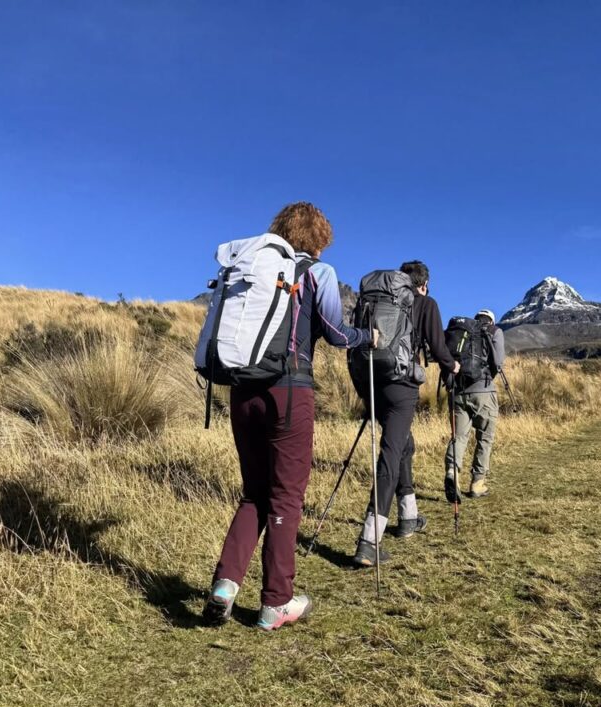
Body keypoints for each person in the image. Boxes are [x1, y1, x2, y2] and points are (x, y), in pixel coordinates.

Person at [203, 202, 376, 630]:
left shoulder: (254, 268)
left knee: (254, 494)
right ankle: (275, 601)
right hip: (290, 392)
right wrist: (366, 337)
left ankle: (224, 586)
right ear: (319, 238)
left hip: (242, 391)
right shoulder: (320, 273)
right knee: (285, 497)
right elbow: (336, 334)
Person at [352, 260, 459, 567]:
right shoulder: (425, 303)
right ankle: (369, 541)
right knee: (391, 451)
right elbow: (438, 348)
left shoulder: (377, 301)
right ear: (423, 284)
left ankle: (409, 516)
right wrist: (452, 365)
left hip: (369, 379)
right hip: (401, 384)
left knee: (404, 446)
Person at [444, 309, 505, 501]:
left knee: (459, 437)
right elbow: (498, 362)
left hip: (457, 392)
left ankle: (452, 473)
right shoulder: (495, 331)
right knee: (484, 439)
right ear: (491, 320)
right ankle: (477, 484)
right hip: (484, 391)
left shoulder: (463, 332)